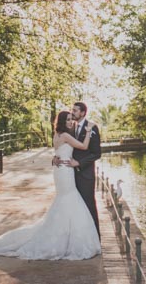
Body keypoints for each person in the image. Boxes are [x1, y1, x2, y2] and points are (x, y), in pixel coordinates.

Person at [0, 111, 102, 260]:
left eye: (72, 119)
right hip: (65, 170)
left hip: (60, 170)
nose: (71, 122)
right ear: (63, 122)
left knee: (64, 200)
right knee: (69, 199)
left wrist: (55, 159)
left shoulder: (57, 135)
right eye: (69, 120)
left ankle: (65, 234)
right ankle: (69, 238)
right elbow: (84, 147)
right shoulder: (65, 136)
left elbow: (59, 152)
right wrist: (89, 130)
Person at [54, 101, 101, 238]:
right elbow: (63, 146)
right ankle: (77, 237)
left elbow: (96, 153)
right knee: (74, 208)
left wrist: (79, 163)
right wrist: (55, 158)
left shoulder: (92, 127)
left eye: (75, 110)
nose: (72, 112)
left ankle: (95, 238)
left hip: (85, 174)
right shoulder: (70, 127)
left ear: (83, 112)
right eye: (72, 110)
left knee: (88, 205)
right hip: (69, 174)